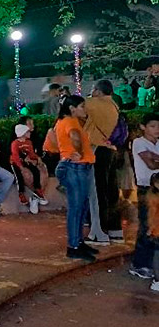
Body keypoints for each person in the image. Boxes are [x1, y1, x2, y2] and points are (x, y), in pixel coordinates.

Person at [54, 95, 98, 262]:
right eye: (82, 106)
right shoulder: (70, 122)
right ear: (72, 108)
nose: (84, 109)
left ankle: (78, 242)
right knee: (77, 207)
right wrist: (78, 152)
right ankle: (74, 246)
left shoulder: (65, 121)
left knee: (81, 206)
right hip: (76, 167)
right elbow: (74, 136)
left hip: (75, 166)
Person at [84, 80, 121, 244]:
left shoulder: (95, 103)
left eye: (93, 89)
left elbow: (74, 106)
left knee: (97, 192)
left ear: (98, 91)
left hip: (98, 150)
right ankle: (115, 231)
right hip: (111, 150)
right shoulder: (113, 105)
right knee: (111, 191)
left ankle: (99, 233)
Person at [129, 113, 159, 281]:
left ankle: (150, 262)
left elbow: (154, 161)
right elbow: (150, 164)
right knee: (147, 225)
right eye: (152, 126)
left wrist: (155, 157)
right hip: (146, 188)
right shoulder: (139, 143)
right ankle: (140, 264)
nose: (157, 130)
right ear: (143, 127)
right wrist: (153, 159)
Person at [11, 124, 49, 214]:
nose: (30, 133)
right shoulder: (15, 143)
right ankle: (21, 193)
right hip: (16, 162)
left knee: (36, 171)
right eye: (28, 132)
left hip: (26, 161)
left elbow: (31, 153)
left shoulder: (29, 142)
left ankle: (38, 189)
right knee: (18, 176)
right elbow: (15, 156)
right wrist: (21, 167)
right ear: (23, 133)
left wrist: (37, 158)